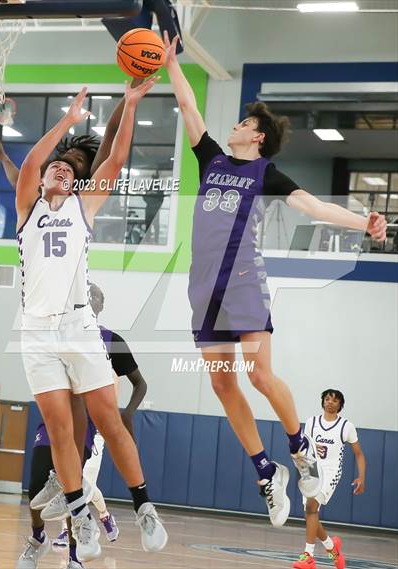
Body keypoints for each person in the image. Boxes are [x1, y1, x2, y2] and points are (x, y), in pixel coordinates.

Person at [163, 31, 386, 528]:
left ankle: (298, 446)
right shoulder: (211, 158)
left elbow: (313, 206)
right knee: (222, 386)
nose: (235, 125)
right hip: (203, 288)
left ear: (257, 135)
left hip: (243, 279)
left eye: (244, 121)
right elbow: (186, 103)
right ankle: (267, 471)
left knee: (258, 374)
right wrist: (169, 60)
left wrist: (362, 220)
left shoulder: (265, 173)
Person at [16, 78, 167, 564]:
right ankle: (80, 510)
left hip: (79, 326)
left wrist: (132, 102)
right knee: (61, 430)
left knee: (107, 419)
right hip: (37, 332)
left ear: (74, 182)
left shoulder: (83, 208)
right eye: (52, 166)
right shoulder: (26, 209)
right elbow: (31, 162)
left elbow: (116, 161)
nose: (58, 168)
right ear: (41, 179)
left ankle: (143, 505)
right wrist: (66, 122)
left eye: (66, 167)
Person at [53, 282, 147, 549]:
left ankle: (95, 523)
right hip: (72, 420)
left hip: (99, 426)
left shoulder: (108, 342)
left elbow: (136, 383)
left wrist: (126, 413)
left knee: (83, 482)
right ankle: (92, 521)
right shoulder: (69, 339)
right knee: (68, 479)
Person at [293, 389, 366, 569]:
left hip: (331, 471)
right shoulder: (312, 422)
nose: (330, 402)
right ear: (323, 402)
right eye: (327, 399)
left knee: (311, 507)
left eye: (335, 400)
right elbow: (304, 447)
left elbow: (359, 454)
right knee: (310, 513)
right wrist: (301, 465)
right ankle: (332, 548)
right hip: (311, 468)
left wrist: (361, 477)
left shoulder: (346, 426)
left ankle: (308, 556)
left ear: (340, 405)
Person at [17, 413, 96, 569]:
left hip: (83, 423)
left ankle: (74, 557)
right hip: (53, 416)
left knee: (68, 492)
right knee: (36, 487)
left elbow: (139, 386)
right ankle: (38, 538)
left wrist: (127, 414)